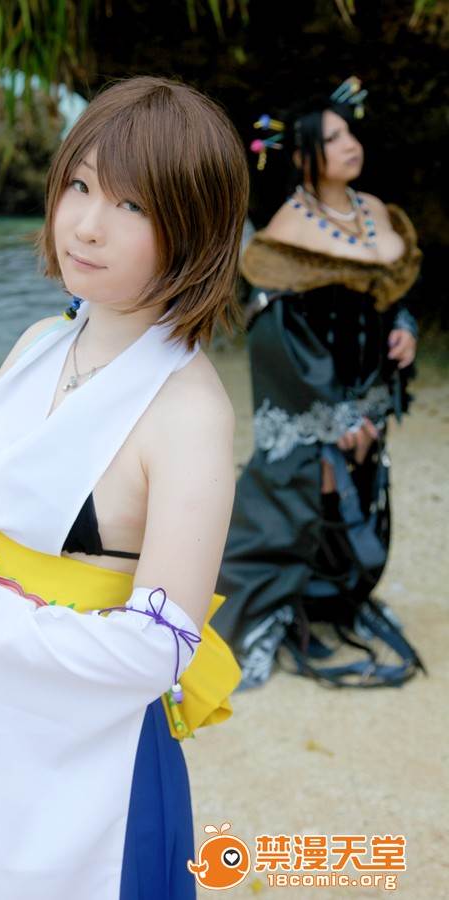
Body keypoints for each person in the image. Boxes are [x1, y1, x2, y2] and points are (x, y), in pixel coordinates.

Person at [0, 76, 248, 900]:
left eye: (132, 205)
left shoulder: (190, 412)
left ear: (194, 227)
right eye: (80, 187)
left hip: (96, 757)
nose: (87, 224)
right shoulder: (39, 343)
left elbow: (159, 646)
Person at [213, 78, 426, 689]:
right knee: (300, 499)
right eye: (332, 139)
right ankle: (268, 615)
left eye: (349, 133)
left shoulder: (373, 209)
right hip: (313, 396)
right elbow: (276, 333)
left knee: (359, 493)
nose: (350, 144)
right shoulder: (290, 227)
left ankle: (333, 601)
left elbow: (390, 296)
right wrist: (335, 416)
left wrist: (404, 330)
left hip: (368, 390)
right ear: (304, 156)